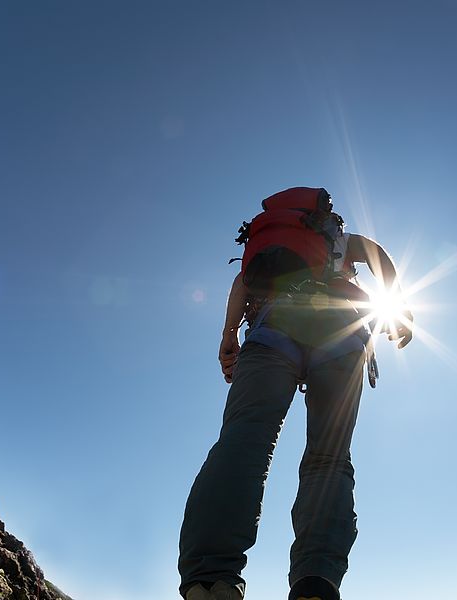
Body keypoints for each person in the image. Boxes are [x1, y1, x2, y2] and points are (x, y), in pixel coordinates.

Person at [178, 189, 413, 600]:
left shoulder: (268, 250)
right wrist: (400, 306)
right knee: (329, 457)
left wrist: (228, 335)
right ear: (327, 216)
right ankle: (315, 579)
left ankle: (210, 577)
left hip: (273, 329)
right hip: (342, 335)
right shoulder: (339, 241)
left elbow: (242, 282)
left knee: (245, 440)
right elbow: (377, 253)